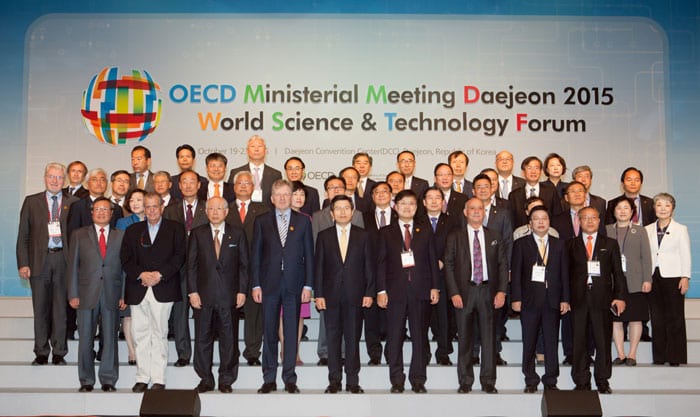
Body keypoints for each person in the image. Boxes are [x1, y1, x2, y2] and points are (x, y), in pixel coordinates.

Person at [252, 180, 314, 394]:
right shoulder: (261, 221)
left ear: (291, 196)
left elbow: (309, 256)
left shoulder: (304, 221)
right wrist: (256, 284)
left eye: (285, 194)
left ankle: (290, 378)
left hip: (294, 285)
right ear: (271, 198)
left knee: (290, 333)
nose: (281, 198)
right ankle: (269, 378)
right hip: (268, 285)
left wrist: (308, 285)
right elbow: (256, 256)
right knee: (269, 332)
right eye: (277, 194)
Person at [121, 192, 186, 392]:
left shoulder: (175, 229)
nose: (151, 210)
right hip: (138, 287)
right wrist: (141, 274)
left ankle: (158, 379)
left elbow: (179, 256)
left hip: (163, 287)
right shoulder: (133, 230)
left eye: (154, 206)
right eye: (147, 207)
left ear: (162, 207)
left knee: (159, 333)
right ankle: (142, 377)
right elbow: (125, 258)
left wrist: (159, 274)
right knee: (139, 334)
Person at [376, 190, 440, 394]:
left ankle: (418, 379)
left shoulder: (425, 230)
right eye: (403, 203)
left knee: (420, 337)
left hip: (420, 291)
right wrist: (381, 290)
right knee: (394, 337)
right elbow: (380, 264)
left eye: (411, 203)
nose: (407, 207)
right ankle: (397, 380)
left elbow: (432, 260)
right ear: (395, 206)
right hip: (394, 292)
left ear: (417, 206)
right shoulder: (385, 232)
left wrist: (435, 287)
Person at [16, 162, 78, 365]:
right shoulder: (31, 202)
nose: (55, 181)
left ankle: (59, 352)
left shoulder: (74, 202)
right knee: (40, 308)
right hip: (38, 262)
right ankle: (41, 351)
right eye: (51, 176)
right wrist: (23, 263)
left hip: (63, 261)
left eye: (59, 178)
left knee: (61, 309)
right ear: (45, 178)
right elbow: (23, 235)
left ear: (64, 180)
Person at [444, 198, 508, 394]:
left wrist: (502, 291)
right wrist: (454, 292)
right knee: (465, 338)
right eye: (472, 208)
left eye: (480, 209)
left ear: (484, 212)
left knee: (489, 339)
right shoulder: (455, 235)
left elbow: (503, 265)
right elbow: (448, 265)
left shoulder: (494, 236)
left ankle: (488, 381)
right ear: (465, 212)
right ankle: (465, 380)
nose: (476, 212)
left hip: (488, 292)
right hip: (464, 293)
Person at [314, 195, 375, 394]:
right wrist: (319, 294)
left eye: (346, 208)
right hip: (330, 296)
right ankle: (334, 381)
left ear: (352, 211)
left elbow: (369, 267)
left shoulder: (364, 235)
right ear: (331, 213)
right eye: (338, 209)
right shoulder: (324, 236)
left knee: (352, 339)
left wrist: (369, 292)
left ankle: (352, 381)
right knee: (332, 339)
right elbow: (319, 268)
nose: (342, 212)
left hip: (356, 295)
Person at [187, 196, 248, 393]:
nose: (214, 212)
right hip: (203, 297)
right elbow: (191, 266)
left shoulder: (237, 234)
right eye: (211, 209)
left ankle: (226, 379)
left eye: (219, 208)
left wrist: (242, 291)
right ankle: (205, 379)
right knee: (203, 339)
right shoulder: (197, 233)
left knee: (228, 339)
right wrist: (193, 292)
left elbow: (244, 266)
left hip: (229, 296)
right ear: (206, 211)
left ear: (226, 211)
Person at [67, 197, 125, 392]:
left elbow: (125, 269)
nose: (101, 212)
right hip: (85, 294)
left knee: (110, 338)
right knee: (85, 338)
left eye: (105, 209)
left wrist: (124, 294)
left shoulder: (120, 235)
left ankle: (108, 379)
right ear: (91, 213)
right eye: (97, 209)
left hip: (112, 293)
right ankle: (86, 380)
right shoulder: (78, 234)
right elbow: (73, 266)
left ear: (111, 213)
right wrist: (73, 293)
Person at [567, 206, 626, 394]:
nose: (590, 221)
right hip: (578, 301)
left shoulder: (610, 244)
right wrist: (565, 299)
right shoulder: (569, 245)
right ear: (579, 221)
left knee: (602, 342)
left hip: (602, 300)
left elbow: (618, 273)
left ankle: (602, 380)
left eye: (594, 218)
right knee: (579, 343)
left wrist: (619, 297)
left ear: (599, 221)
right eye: (585, 218)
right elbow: (564, 276)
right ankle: (581, 381)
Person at [511, 205, 570, 392]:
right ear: (530, 223)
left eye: (544, 218)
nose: (541, 222)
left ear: (549, 222)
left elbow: (564, 275)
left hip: (553, 300)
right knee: (529, 341)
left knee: (552, 342)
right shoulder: (521, 244)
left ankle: (551, 380)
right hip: (529, 301)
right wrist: (516, 298)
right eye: (536, 218)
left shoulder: (559, 244)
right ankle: (530, 379)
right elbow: (517, 274)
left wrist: (565, 299)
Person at [312, 175, 364, 366]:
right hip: (329, 280)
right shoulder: (319, 216)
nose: (335, 190)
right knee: (329, 325)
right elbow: (316, 252)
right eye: (331, 187)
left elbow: (362, 253)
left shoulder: (357, 217)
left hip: (352, 283)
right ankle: (326, 354)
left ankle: (349, 367)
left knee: (351, 329)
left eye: (339, 187)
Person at [163, 170, 210, 368]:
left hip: (204, 270)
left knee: (203, 315)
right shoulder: (170, 210)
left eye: (192, 182)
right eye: (184, 182)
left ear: (199, 185)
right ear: (179, 186)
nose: (188, 185)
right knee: (180, 314)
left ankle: (202, 354)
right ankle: (183, 353)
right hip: (179, 269)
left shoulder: (208, 208)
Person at [225, 171, 269, 367]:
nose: (243, 186)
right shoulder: (224, 209)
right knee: (228, 313)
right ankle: (230, 351)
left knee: (254, 313)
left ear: (253, 188)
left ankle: (252, 352)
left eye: (247, 183)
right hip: (227, 270)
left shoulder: (263, 210)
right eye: (239, 183)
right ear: (234, 188)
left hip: (255, 269)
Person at [471, 173, 513, 366]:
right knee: (473, 316)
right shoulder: (467, 211)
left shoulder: (502, 213)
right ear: (473, 191)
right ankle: (474, 352)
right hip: (472, 274)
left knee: (494, 317)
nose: (482, 190)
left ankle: (494, 352)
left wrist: (508, 270)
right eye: (478, 187)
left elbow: (508, 243)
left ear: (492, 189)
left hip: (495, 274)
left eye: (485, 186)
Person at [646, 193, 691, 366]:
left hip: (674, 277)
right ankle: (659, 357)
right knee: (656, 317)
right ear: (654, 208)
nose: (663, 208)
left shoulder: (681, 229)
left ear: (672, 208)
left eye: (667, 205)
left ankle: (675, 357)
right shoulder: (647, 229)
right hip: (653, 276)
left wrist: (685, 276)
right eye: (659, 205)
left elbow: (685, 254)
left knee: (675, 317)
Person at [607, 197, 652, 366]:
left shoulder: (640, 231)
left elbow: (646, 257)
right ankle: (620, 354)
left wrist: (647, 279)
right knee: (616, 319)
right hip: (613, 282)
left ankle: (632, 354)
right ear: (614, 211)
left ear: (632, 212)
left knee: (635, 318)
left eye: (626, 208)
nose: (623, 211)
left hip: (635, 280)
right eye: (619, 208)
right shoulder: (606, 230)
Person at [422, 186, 458, 365]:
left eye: (438, 198)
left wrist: (443, 260)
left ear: (443, 202)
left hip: (444, 275)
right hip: (421, 275)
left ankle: (443, 352)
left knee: (443, 316)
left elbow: (456, 245)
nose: (434, 201)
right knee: (422, 317)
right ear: (423, 202)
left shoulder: (452, 221)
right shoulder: (417, 221)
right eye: (430, 197)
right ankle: (424, 353)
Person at [361, 181, 395, 365]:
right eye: (377, 192)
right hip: (369, 272)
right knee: (371, 315)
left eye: (385, 191)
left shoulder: (401, 216)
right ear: (372, 197)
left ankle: (391, 352)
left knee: (393, 315)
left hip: (395, 273)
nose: (381, 195)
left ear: (391, 195)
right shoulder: (362, 217)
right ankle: (374, 353)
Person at [281, 180, 312, 365]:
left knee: (299, 314)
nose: (299, 197)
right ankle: (285, 350)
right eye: (295, 193)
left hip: (300, 275)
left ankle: (295, 352)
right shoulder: (278, 217)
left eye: (302, 194)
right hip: (281, 275)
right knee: (282, 315)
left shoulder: (307, 219)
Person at [115, 188, 147, 366]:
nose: (135, 203)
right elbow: (120, 252)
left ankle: (144, 349)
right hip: (128, 273)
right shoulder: (123, 222)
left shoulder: (154, 220)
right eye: (132, 200)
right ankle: (132, 351)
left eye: (139, 199)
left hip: (149, 275)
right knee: (128, 316)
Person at [227, 135, 282, 208]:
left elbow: (279, 199)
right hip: (242, 214)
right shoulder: (236, 172)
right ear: (247, 151)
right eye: (252, 146)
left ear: (265, 150)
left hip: (268, 214)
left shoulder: (276, 174)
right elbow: (230, 197)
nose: (256, 149)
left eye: (260, 146)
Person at [508, 156, 561, 228]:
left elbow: (557, 217)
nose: (533, 171)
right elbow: (512, 220)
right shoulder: (514, 195)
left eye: (536, 168)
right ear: (523, 172)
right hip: (522, 235)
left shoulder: (551, 191)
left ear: (541, 172)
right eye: (529, 168)